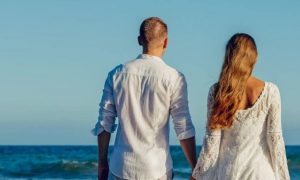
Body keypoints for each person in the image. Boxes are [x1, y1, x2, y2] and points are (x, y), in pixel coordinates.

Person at [91, 17, 197, 180]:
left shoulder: (116, 74)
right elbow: (183, 127)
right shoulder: (174, 78)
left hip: (121, 167)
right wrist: (195, 167)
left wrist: (102, 163)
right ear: (166, 42)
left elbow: (105, 123)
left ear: (139, 40)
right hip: (156, 169)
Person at [192, 33, 290, 180]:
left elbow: (211, 146)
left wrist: (196, 177)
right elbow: (276, 142)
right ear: (254, 59)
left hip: (228, 174)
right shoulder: (271, 92)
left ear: (228, 57)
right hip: (261, 174)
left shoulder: (217, 92)